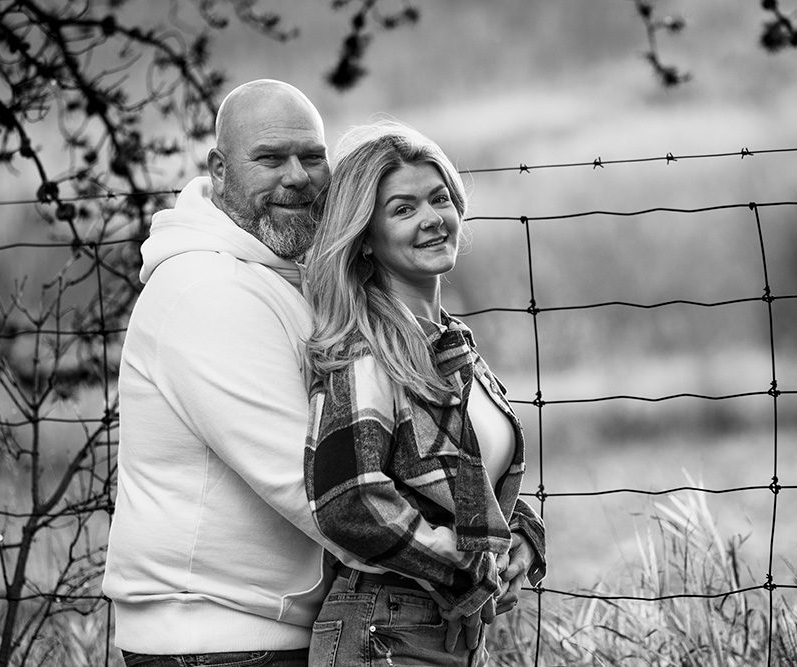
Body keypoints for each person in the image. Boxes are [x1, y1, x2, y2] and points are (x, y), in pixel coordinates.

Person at [101, 79, 332, 667]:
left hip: (256, 631)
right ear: (220, 170)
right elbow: (308, 482)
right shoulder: (208, 289)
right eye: (270, 158)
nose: (297, 177)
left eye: (311, 156)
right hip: (216, 642)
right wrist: (457, 558)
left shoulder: (287, 276)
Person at [302, 122, 547, 666]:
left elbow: (461, 483)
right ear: (365, 237)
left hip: (448, 630)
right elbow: (349, 498)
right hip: (383, 632)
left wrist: (521, 541)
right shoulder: (365, 351)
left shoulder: (453, 348)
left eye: (439, 199)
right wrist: (468, 568)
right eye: (403, 209)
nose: (432, 218)